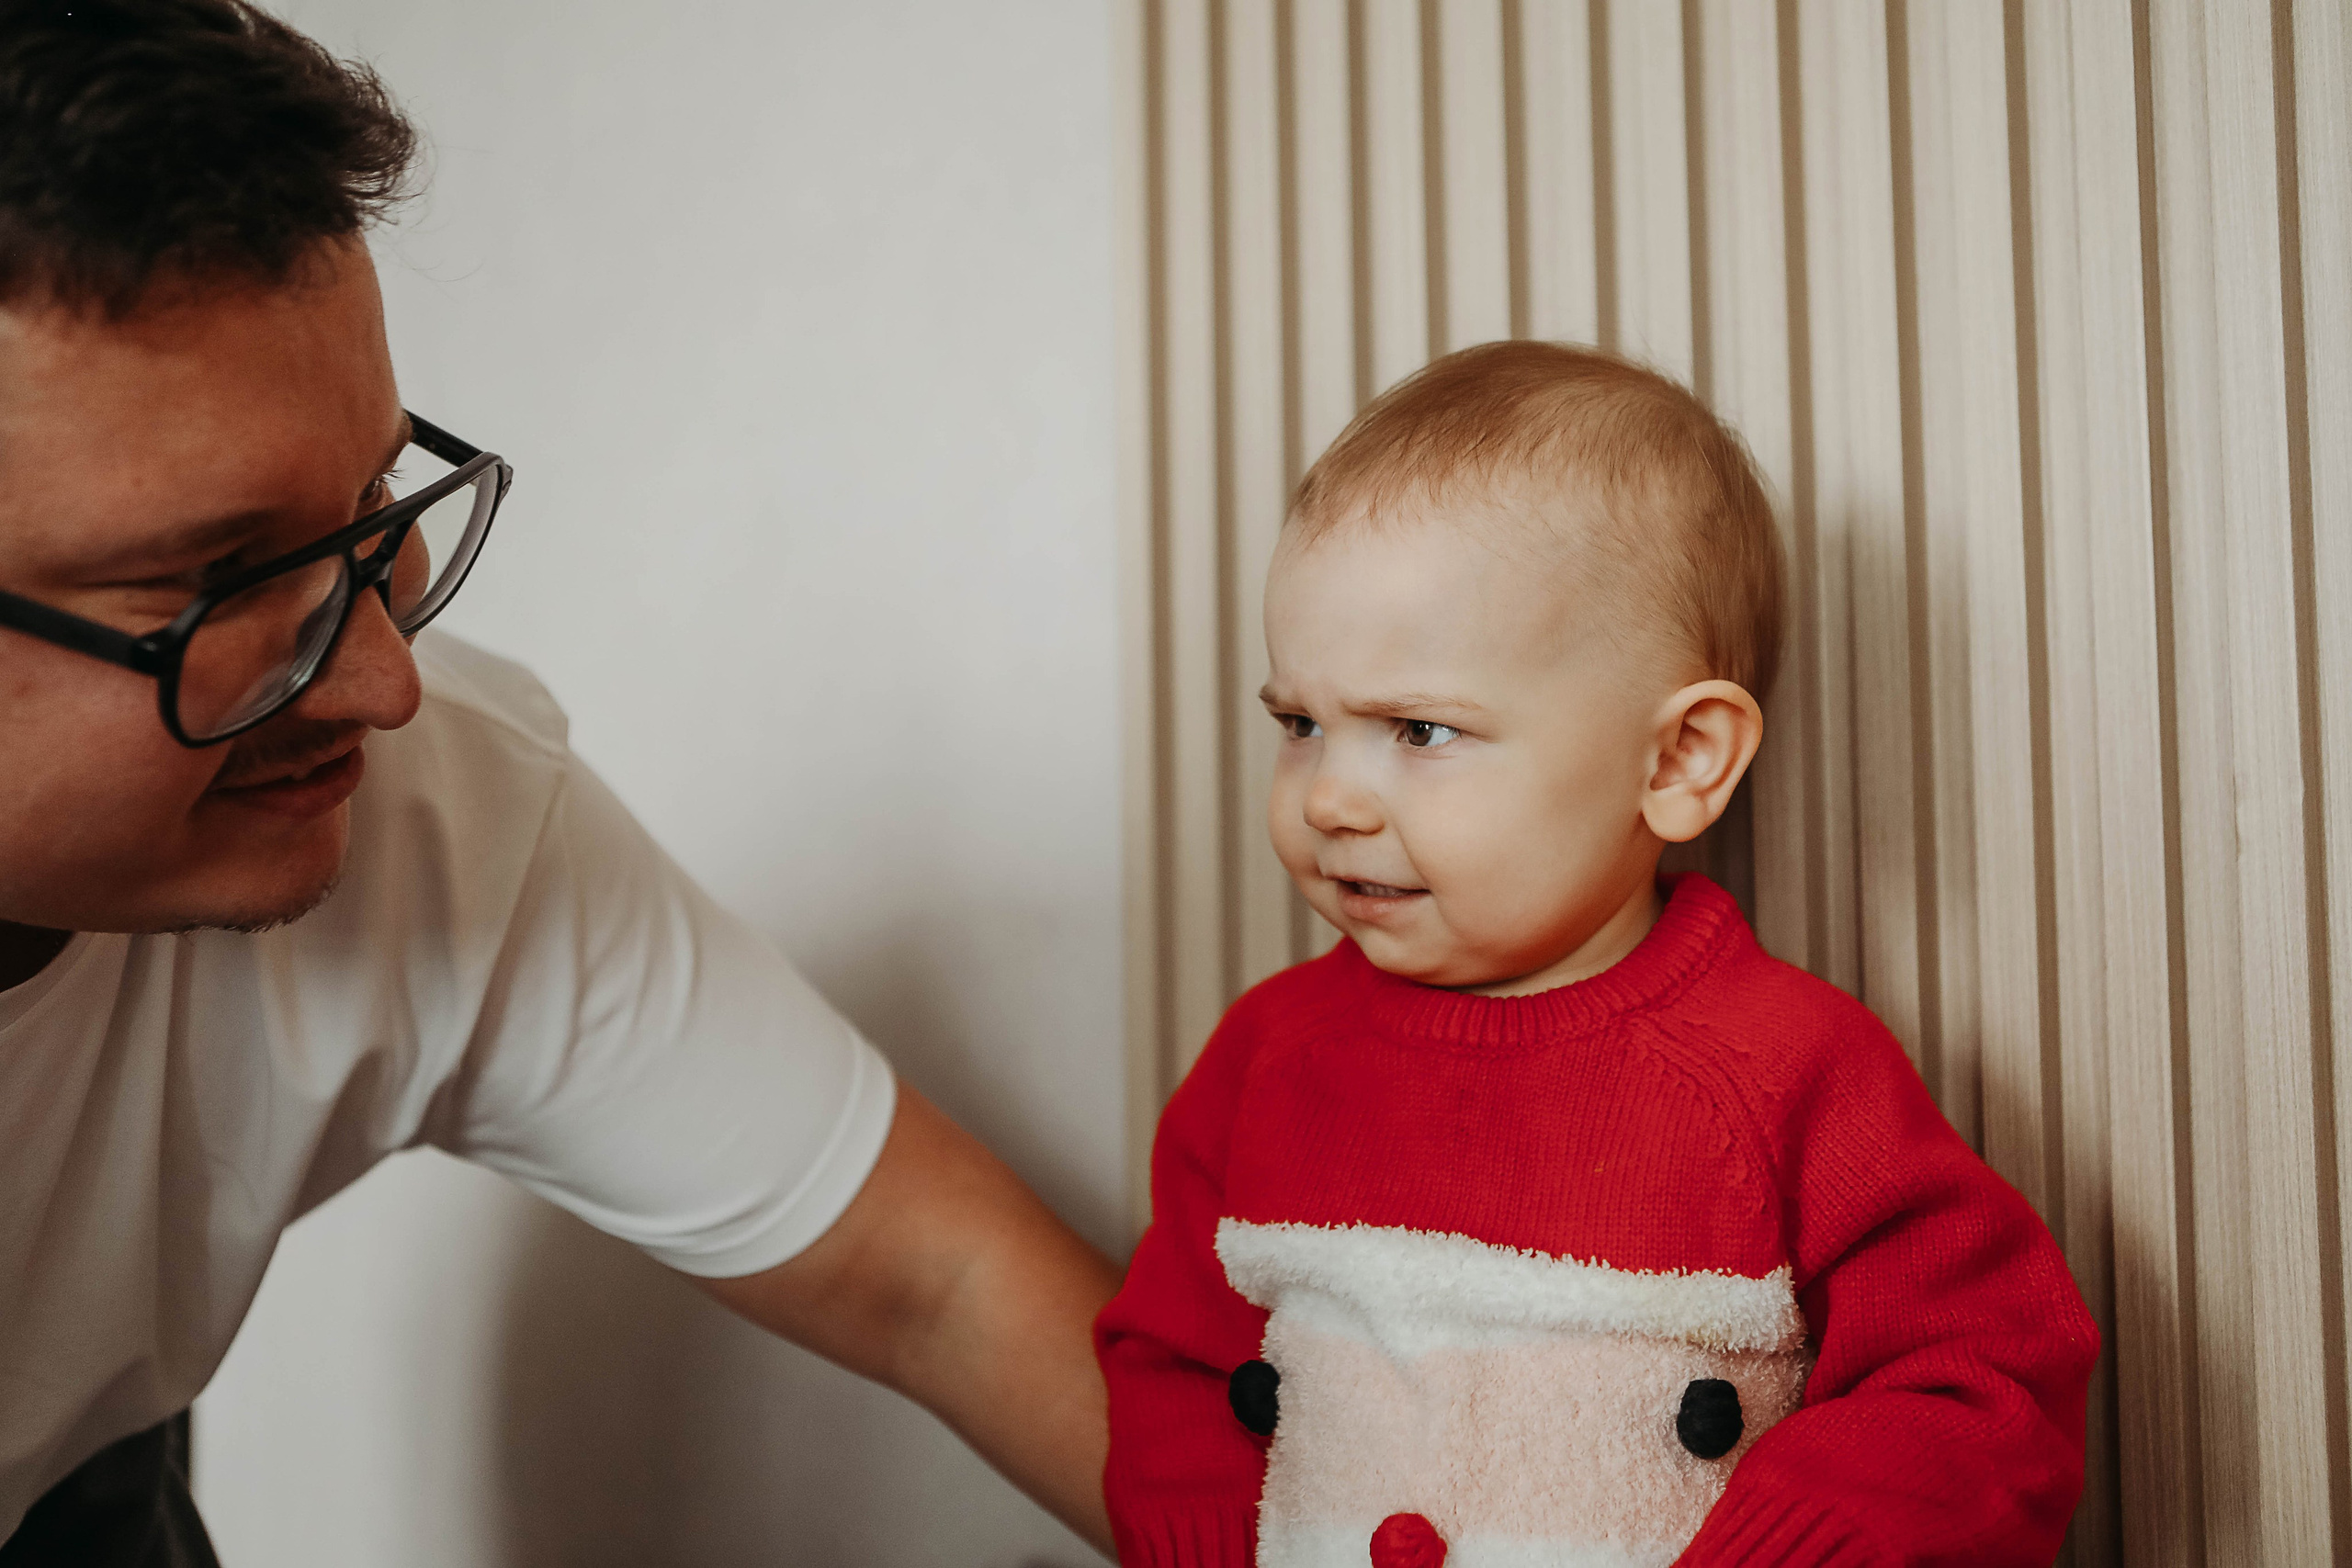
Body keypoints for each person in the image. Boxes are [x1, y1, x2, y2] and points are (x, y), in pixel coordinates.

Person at [0, 2, 1118, 1562]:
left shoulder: (418, 799)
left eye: (378, 500)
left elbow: (937, 1280)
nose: (384, 685)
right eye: (217, 582)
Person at [1094, 341, 2098, 1566]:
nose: (1331, 800)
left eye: (1420, 728)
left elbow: (1981, 1379)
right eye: (1301, 724)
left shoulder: (1786, 1071)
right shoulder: (1264, 1061)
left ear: (1677, 762)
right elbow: (1174, 1364)